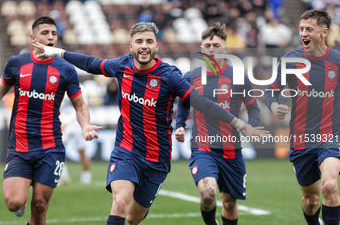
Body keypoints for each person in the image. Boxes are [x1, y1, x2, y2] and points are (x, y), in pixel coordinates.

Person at [34, 22, 269, 225]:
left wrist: (238, 123)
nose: (143, 45)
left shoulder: (170, 76)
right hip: (126, 150)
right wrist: (58, 52)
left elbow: (201, 103)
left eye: (149, 41)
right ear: (131, 46)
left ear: (156, 46)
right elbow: (91, 63)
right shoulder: (122, 66)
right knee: (120, 203)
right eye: (138, 41)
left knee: (133, 218)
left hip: (157, 159)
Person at [0, 16, 102, 225]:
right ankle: (21, 200)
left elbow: (80, 105)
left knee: (40, 204)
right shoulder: (17, 64)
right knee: (14, 202)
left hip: (51, 146)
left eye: (54, 34)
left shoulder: (65, 69)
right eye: (45, 33)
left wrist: (85, 125)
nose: (50, 37)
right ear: (33, 37)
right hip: (20, 145)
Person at [175, 22, 261, 225]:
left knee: (229, 203)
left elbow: (253, 108)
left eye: (216, 45)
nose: (211, 49)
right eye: (207, 45)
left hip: (232, 150)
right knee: (207, 194)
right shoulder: (191, 77)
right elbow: (183, 104)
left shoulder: (239, 77)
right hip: (203, 148)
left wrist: (253, 126)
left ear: (225, 48)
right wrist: (180, 124)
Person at [264, 9, 340, 225]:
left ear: (324, 32)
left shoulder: (337, 60)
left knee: (329, 186)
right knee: (311, 199)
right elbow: (271, 90)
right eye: (301, 29)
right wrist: (274, 104)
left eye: (309, 29)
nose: (303, 33)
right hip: (300, 140)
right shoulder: (291, 59)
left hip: (330, 137)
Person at [59, 84, 92, 185]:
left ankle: (86, 177)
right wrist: (62, 121)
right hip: (65, 125)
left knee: (82, 151)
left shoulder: (82, 88)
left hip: (78, 124)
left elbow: (81, 106)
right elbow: (61, 108)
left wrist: (67, 122)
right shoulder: (61, 87)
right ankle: (64, 176)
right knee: (59, 150)